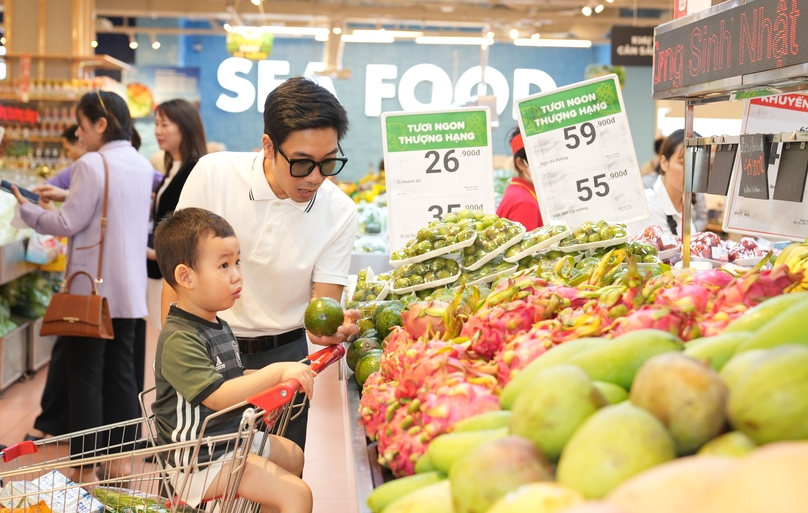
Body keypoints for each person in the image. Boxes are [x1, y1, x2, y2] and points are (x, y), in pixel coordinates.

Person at [163, 76, 360, 452]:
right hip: (207, 347)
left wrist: (336, 329)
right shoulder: (213, 175)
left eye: (329, 162)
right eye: (302, 163)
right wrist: (170, 356)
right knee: (199, 480)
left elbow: (321, 320)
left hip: (285, 358)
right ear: (268, 146)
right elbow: (176, 282)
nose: (316, 178)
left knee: (280, 470)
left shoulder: (340, 212)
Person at [12, 90, 153, 471]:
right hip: (129, 291)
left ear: (101, 124)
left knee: (85, 375)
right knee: (122, 374)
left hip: (92, 291)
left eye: (82, 124)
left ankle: (85, 463)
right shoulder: (141, 165)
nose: (78, 132)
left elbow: (67, 223)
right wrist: (64, 193)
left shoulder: (92, 164)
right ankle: (119, 459)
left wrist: (28, 211)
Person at [152, 207, 313, 513]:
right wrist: (277, 371)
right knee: (297, 496)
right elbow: (219, 396)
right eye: (224, 265)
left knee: (294, 455)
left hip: (229, 441)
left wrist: (270, 393)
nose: (237, 274)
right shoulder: (179, 338)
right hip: (199, 462)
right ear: (185, 276)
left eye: (237, 262)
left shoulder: (218, 325)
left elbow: (232, 378)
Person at [145, 99, 208, 330]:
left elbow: (191, 226)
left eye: (164, 124)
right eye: (156, 124)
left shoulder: (195, 169)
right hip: (161, 266)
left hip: (174, 270)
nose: (157, 131)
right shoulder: (172, 167)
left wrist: (154, 252)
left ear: (184, 126)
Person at [628, 129, 696, 237]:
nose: (691, 171)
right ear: (664, 163)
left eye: (697, 164)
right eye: (683, 163)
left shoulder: (687, 207)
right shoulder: (644, 206)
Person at [496, 128, 543, 231]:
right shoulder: (525, 203)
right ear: (521, 163)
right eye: (541, 159)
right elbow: (526, 247)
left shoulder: (518, 191)